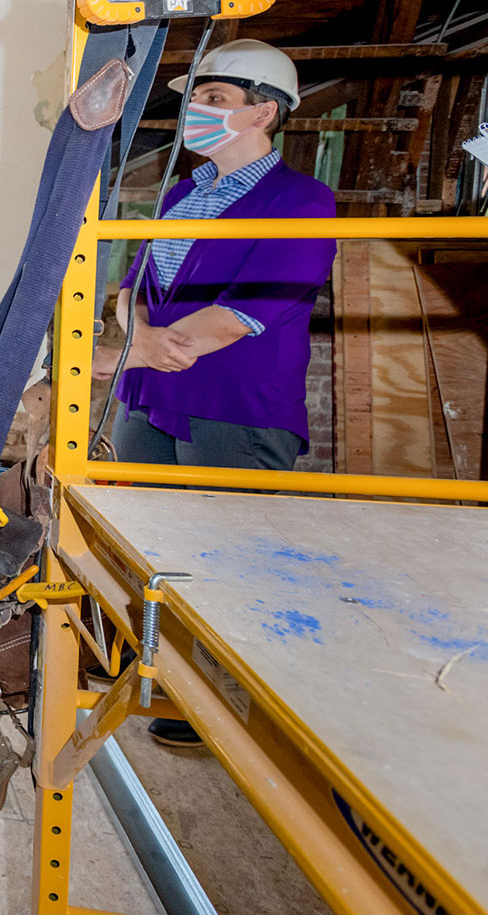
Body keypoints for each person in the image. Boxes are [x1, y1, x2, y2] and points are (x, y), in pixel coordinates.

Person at [95, 38, 334, 749]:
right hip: (152, 394)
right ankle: (156, 679)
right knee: (146, 547)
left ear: (264, 112)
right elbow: (130, 289)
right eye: (194, 97)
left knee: (218, 557)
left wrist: (139, 348)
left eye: (214, 99)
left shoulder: (301, 200)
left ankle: (212, 704)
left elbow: (241, 313)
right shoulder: (181, 193)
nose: (194, 110)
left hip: (233, 404)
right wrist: (133, 338)